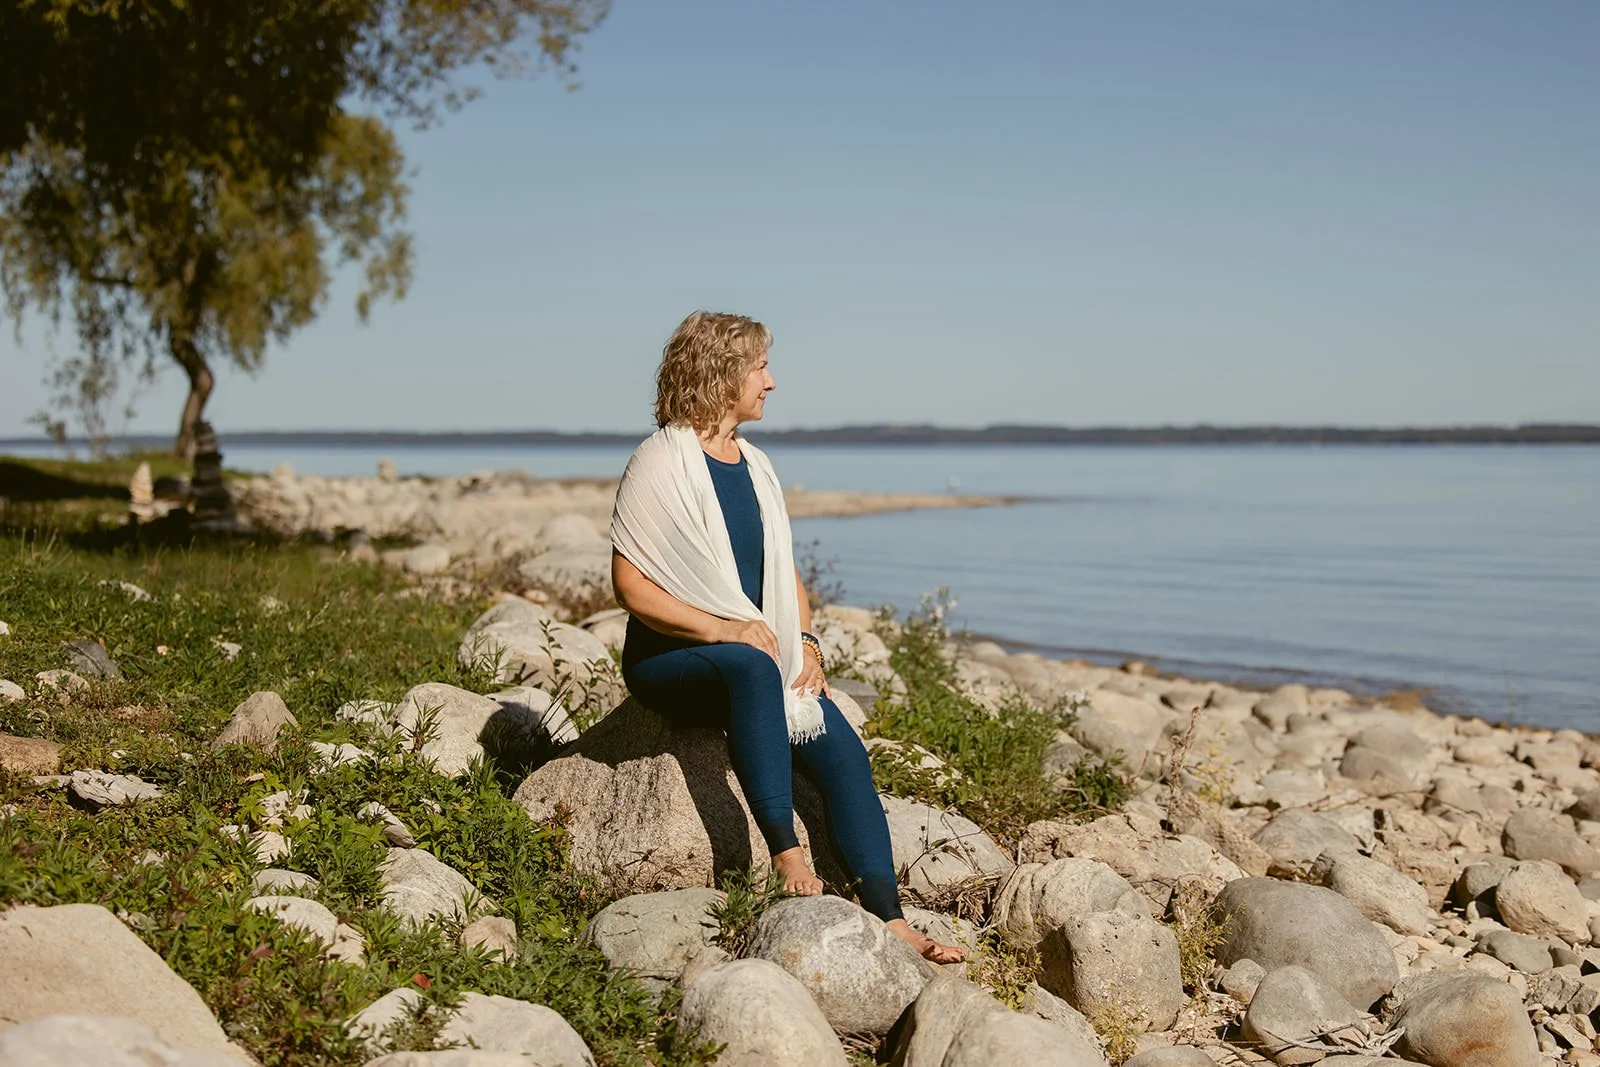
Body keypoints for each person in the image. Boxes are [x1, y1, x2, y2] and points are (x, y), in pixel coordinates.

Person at [610, 310, 966, 964]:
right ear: (720, 376)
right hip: (670, 657)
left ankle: (889, 918)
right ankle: (784, 851)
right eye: (758, 368)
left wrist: (805, 640)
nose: (771, 381)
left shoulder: (757, 465)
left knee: (840, 747)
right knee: (748, 665)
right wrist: (723, 628)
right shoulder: (658, 461)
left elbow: (785, 567)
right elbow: (630, 586)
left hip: (757, 652)